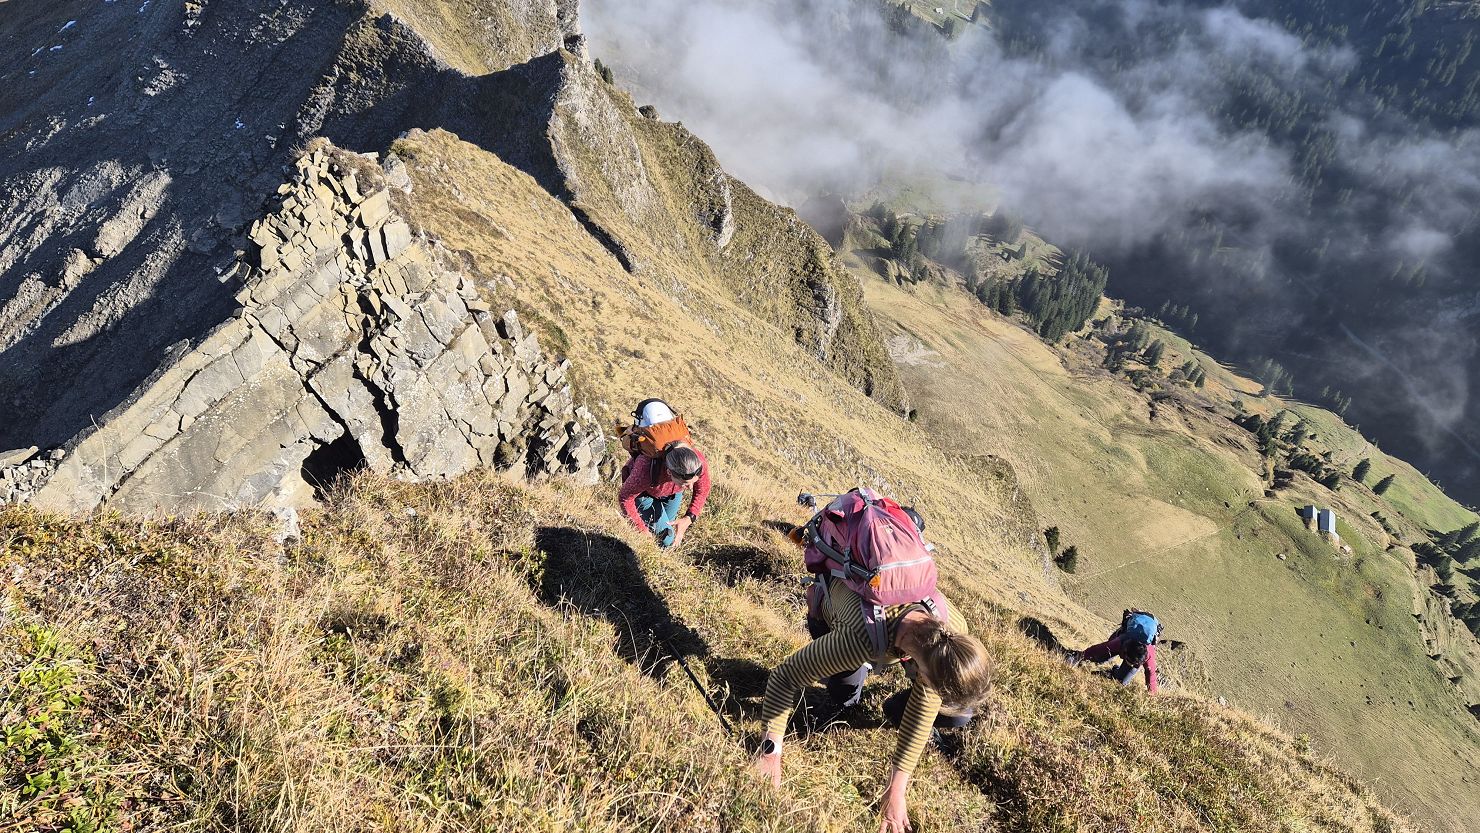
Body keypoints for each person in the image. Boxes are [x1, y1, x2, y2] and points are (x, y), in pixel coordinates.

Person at [753, 578, 991, 833]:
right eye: (936, 690)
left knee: (960, 715)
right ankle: (826, 623)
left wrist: (895, 791)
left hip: (887, 638)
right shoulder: (856, 641)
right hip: (843, 617)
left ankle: (893, 706)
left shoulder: (954, 631)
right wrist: (769, 754)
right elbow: (784, 677)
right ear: (925, 673)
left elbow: (923, 710)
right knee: (845, 696)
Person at [616, 400, 711, 547]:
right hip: (645, 495)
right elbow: (625, 497)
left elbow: (703, 489)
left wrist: (689, 517)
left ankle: (658, 548)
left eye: (693, 482)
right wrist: (641, 530)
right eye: (686, 483)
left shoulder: (697, 461)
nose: (691, 488)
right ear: (669, 473)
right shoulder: (645, 469)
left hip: (672, 494)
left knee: (665, 529)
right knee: (668, 538)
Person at [1068, 609, 1160, 693]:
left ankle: (1112, 673)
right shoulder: (1119, 642)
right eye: (1129, 662)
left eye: (1133, 664)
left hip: (1144, 632)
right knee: (1100, 658)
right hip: (1126, 637)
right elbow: (1097, 649)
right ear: (1125, 651)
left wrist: (1152, 695)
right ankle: (1104, 666)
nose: (1130, 665)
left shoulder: (1148, 655)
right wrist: (1079, 656)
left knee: (1121, 681)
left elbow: (1151, 675)